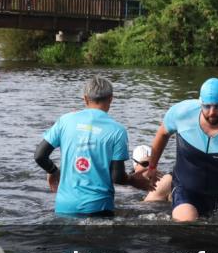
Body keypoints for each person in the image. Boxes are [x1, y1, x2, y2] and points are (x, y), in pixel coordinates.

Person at [147, 78, 218, 224]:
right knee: (187, 222)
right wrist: (152, 167)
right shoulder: (182, 113)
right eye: (207, 106)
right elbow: (162, 133)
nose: (212, 112)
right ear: (200, 102)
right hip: (186, 189)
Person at [34, 76, 153, 217]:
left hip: (64, 206)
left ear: (85, 99)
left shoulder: (65, 121)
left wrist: (53, 171)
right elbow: (117, 177)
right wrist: (133, 180)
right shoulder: (117, 131)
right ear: (111, 99)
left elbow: (40, 156)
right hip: (100, 207)